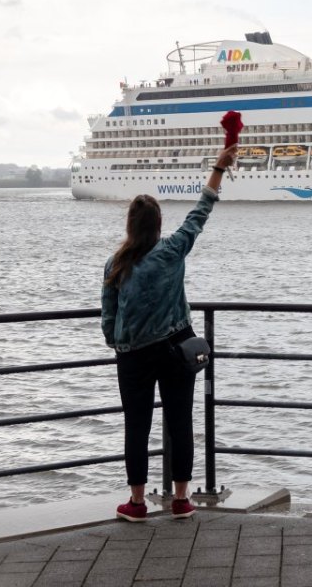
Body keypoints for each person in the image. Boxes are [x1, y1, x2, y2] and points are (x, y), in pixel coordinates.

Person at [101, 145, 237, 521]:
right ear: (159, 224)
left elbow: (108, 317)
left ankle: (138, 502)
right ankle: (181, 499)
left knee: (137, 428)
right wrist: (218, 168)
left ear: (130, 225)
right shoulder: (173, 251)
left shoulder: (116, 263)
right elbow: (201, 210)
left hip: (133, 358)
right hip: (177, 349)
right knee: (181, 423)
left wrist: (120, 344)